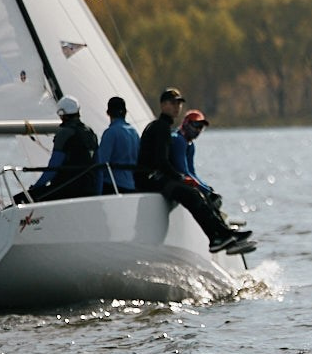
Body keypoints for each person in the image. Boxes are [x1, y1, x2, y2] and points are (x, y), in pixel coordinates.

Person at [138, 88, 250, 254]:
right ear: (163, 105)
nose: (176, 107)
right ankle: (216, 238)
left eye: (179, 104)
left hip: (158, 178)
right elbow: (160, 161)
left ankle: (224, 235)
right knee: (192, 195)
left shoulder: (165, 127)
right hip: (151, 180)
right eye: (172, 103)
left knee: (196, 193)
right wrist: (180, 178)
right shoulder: (161, 128)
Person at [28, 97, 99, 202]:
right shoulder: (90, 132)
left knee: (25, 198)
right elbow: (97, 163)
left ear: (62, 113)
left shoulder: (64, 133)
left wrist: (36, 188)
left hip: (67, 190)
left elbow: (53, 167)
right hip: (88, 189)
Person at [96, 95, 139, 194]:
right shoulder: (134, 132)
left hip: (113, 186)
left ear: (108, 113)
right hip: (131, 186)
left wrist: (97, 193)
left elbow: (101, 164)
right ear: (125, 112)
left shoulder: (110, 132)